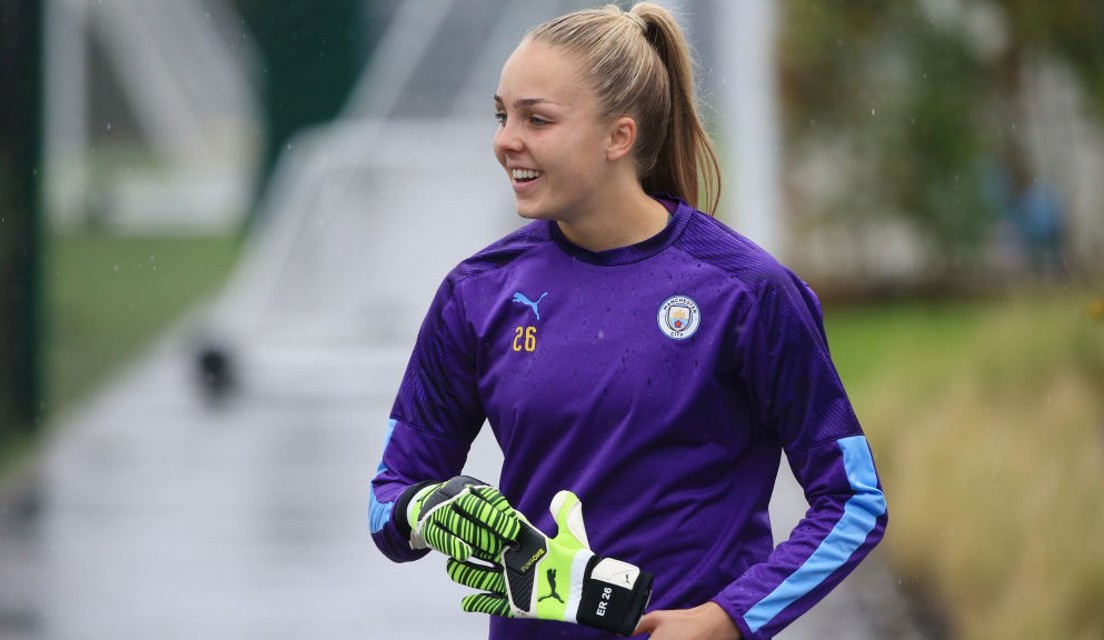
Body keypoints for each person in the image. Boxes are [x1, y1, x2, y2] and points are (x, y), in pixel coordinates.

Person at [368, 4, 887, 639]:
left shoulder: (748, 293)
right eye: (502, 115)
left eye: (537, 118)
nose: (506, 139)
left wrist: (728, 617)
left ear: (619, 136)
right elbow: (389, 494)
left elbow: (853, 501)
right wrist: (424, 509)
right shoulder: (476, 293)